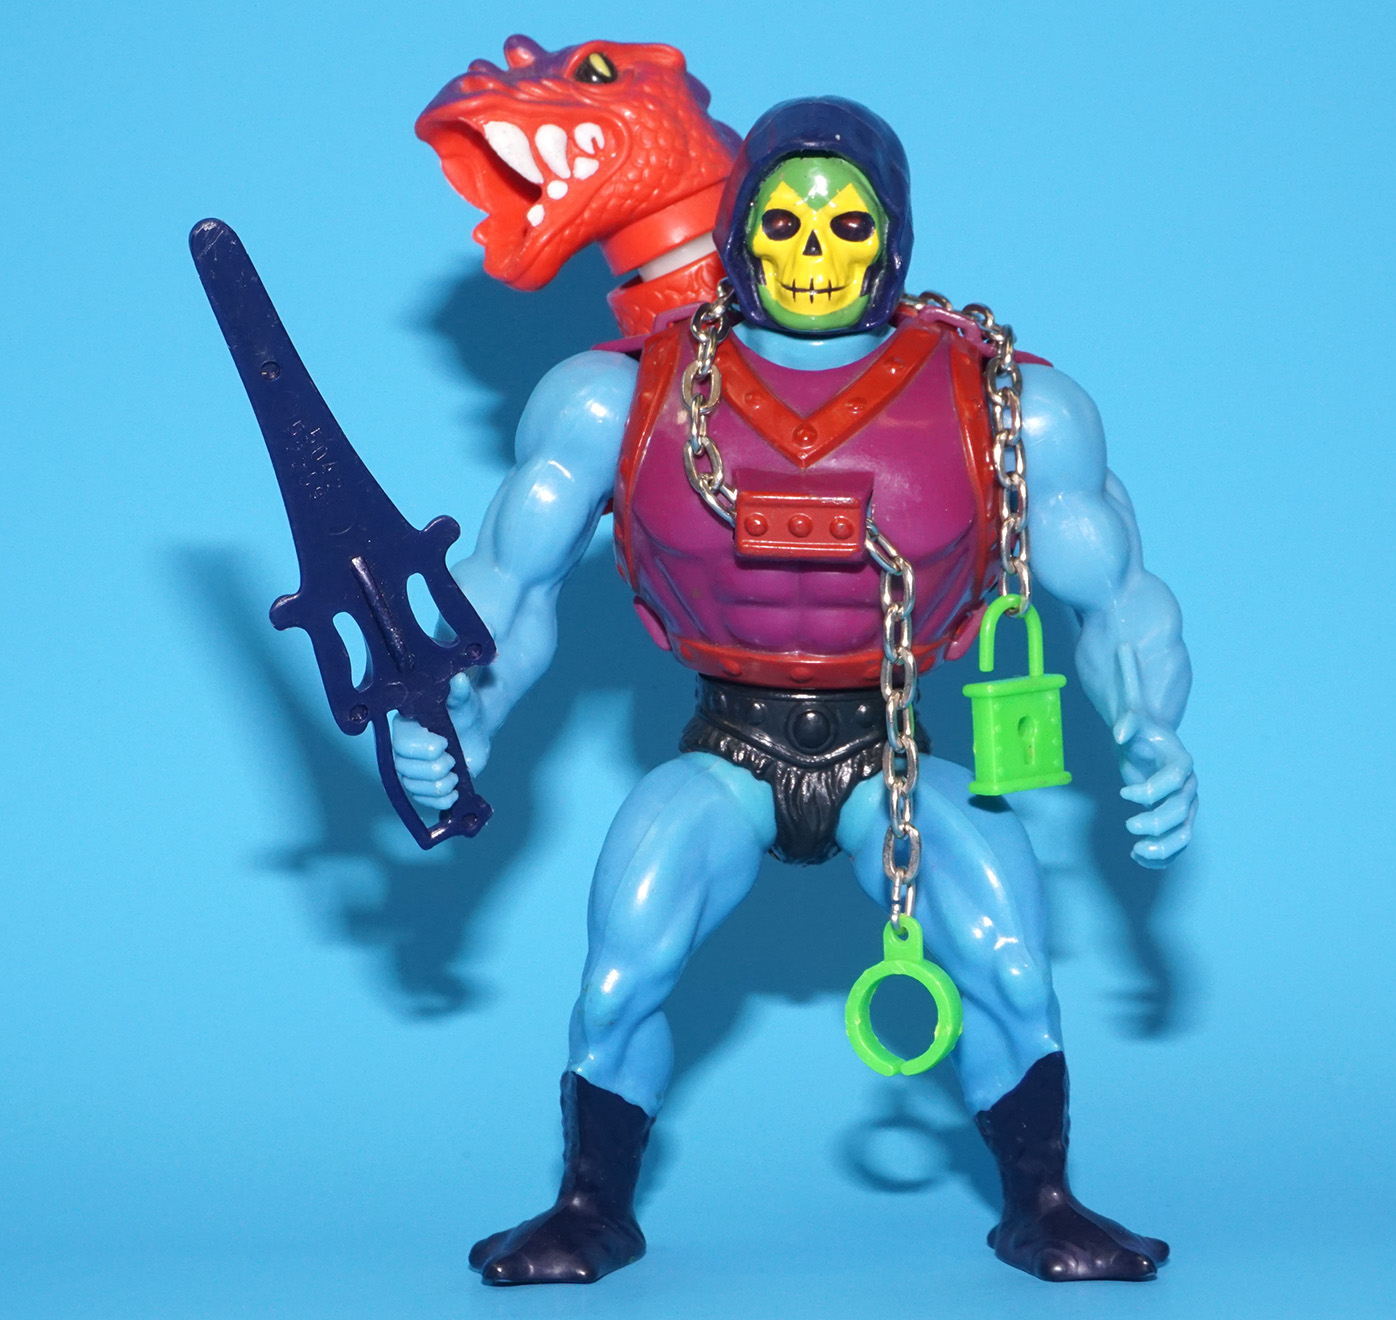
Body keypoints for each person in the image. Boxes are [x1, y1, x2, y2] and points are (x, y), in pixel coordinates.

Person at [394, 96, 1196, 1286]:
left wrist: (1151, 730)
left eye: (845, 226)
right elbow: (505, 598)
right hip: (727, 744)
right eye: (784, 223)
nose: (813, 254)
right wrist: (457, 718)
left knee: (1011, 966)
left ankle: (1043, 1201)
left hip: (893, 752)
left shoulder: (1007, 403)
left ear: (893, 239)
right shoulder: (617, 398)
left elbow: (1120, 595)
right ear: (739, 233)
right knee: (619, 974)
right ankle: (588, 1205)